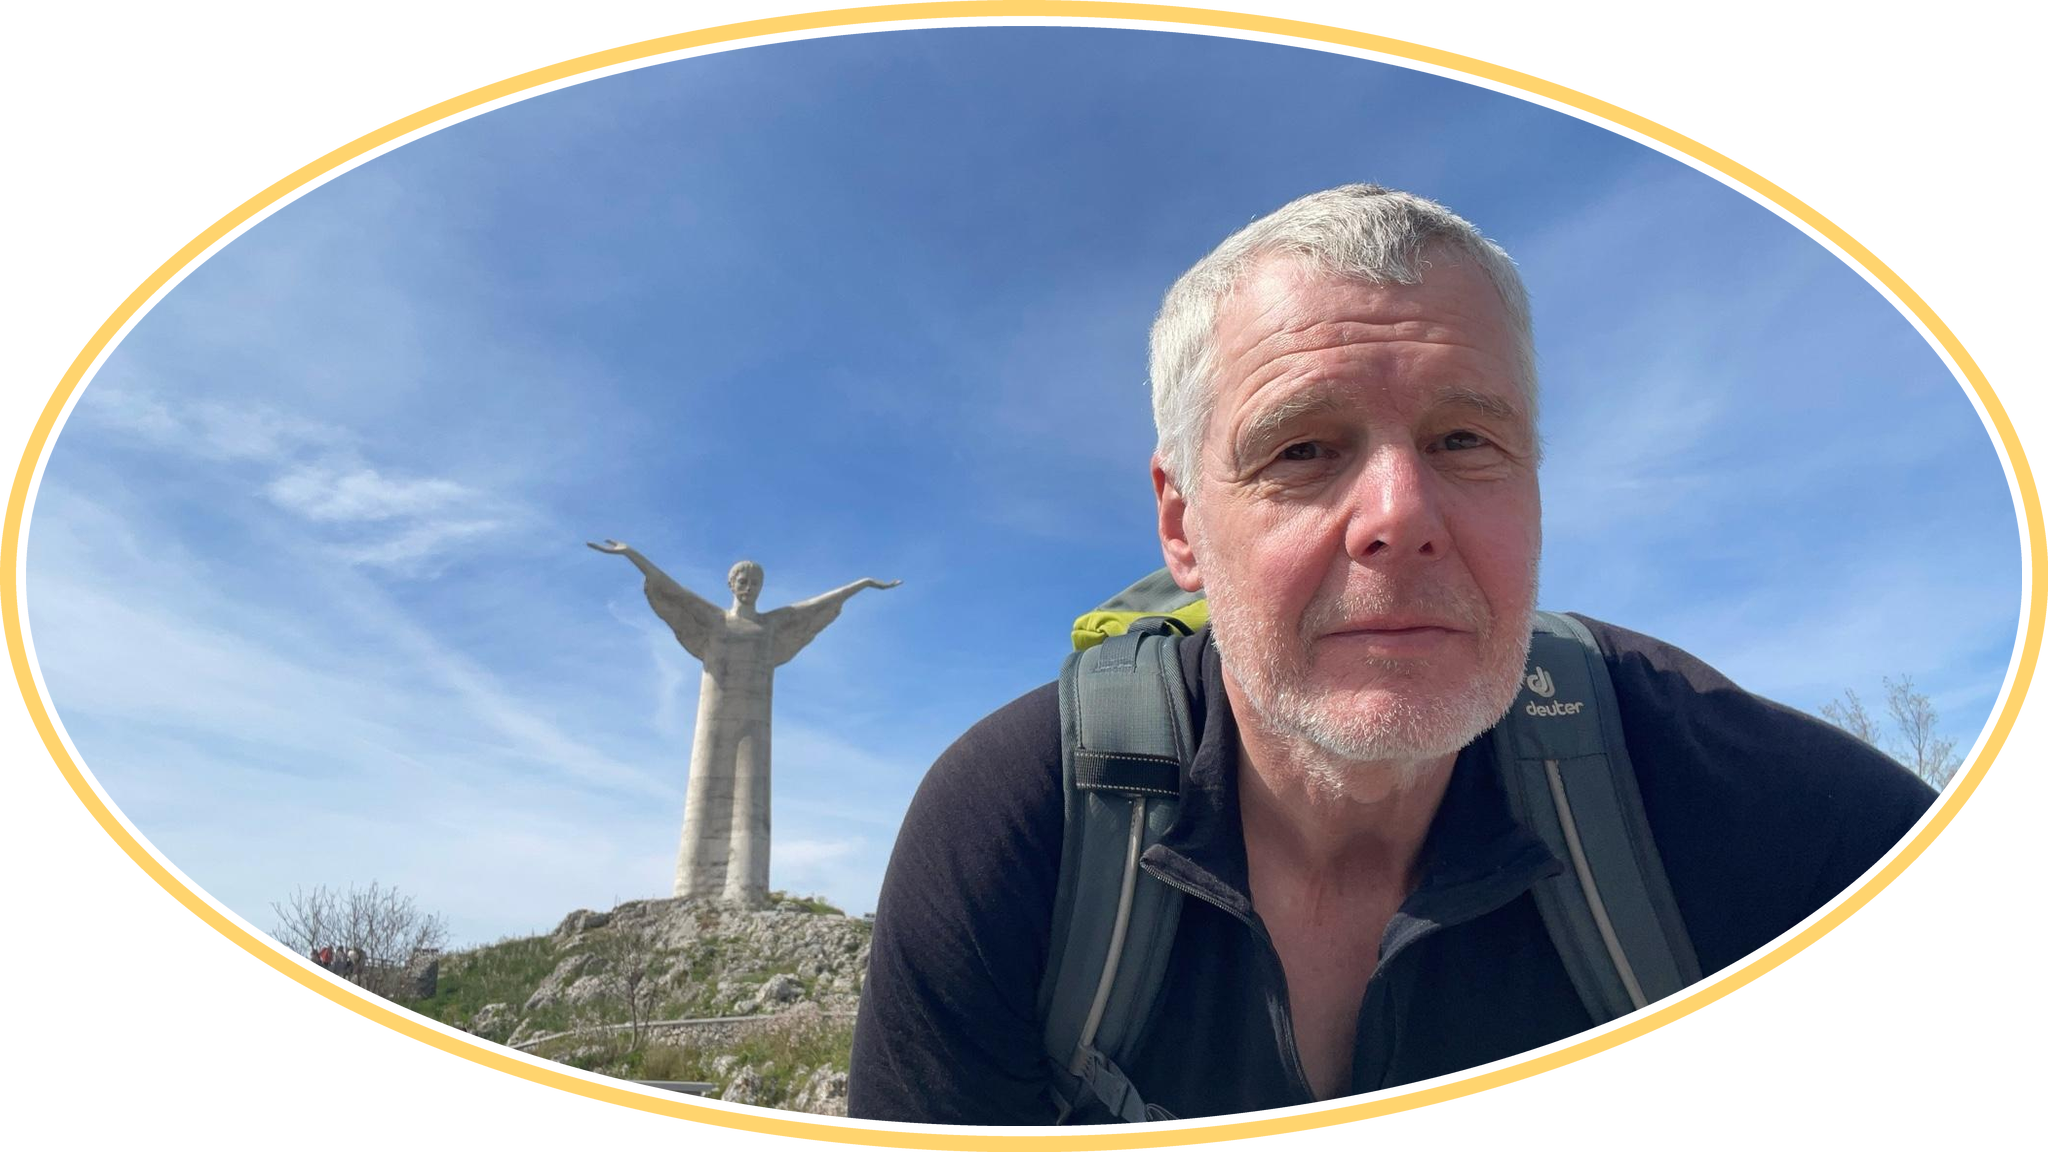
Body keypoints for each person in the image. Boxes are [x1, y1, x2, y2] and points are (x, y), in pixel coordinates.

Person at [846, 185, 1936, 1125]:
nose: (1399, 515)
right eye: (1302, 449)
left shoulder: (1716, 798)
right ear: (1181, 526)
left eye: (1464, 440)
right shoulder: (1024, 831)